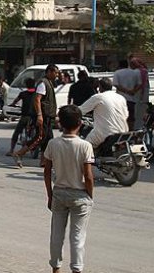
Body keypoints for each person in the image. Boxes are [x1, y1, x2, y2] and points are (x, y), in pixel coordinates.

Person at [44, 105, 95, 273]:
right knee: (77, 237)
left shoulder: (53, 144)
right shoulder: (85, 145)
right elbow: (88, 176)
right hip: (80, 195)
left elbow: (47, 171)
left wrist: (50, 195)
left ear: (60, 123)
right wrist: (90, 195)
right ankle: (76, 269)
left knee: (56, 235)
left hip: (59, 193)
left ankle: (56, 268)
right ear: (80, 123)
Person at [15, 64, 60, 166]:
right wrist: (39, 115)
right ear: (49, 72)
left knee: (48, 138)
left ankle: (43, 160)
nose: (57, 75)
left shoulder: (49, 83)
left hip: (48, 116)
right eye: (55, 73)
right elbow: (37, 99)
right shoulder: (43, 83)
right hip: (42, 115)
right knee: (40, 137)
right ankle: (19, 153)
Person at [78, 78, 128, 154]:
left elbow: (81, 110)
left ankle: (88, 160)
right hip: (122, 132)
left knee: (84, 147)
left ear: (100, 87)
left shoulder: (98, 97)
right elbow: (126, 114)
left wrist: (68, 110)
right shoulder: (121, 98)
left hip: (105, 133)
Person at [7, 78, 37, 158]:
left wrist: (13, 104)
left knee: (16, 133)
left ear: (26, 85)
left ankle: (11, 150)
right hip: (35, 117)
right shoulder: (37, 94)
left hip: (25, 116)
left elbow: (15, 101)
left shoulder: (23, 93)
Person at [113, 59, 141, 129]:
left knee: (120, 117)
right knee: (131, 117)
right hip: (131, 99)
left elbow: (116, 85)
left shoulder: (117, 73)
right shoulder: (135, 73)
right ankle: (131, 131)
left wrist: (126, 91)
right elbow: (139, 84)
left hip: (119, 99)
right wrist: (133, 91)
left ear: (119, 65)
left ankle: (121, 130)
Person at [130, 57, 149, 131]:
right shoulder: (144, 71)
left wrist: (134, 92)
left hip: (139, 95)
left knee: (138, 113)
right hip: (142, 95)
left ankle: (138, 129)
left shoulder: (139, 72)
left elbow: (141, 84)